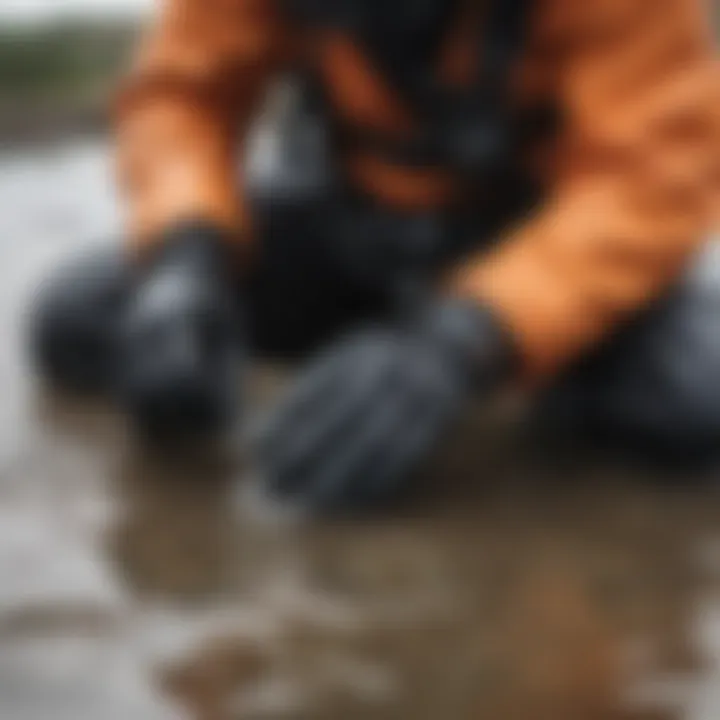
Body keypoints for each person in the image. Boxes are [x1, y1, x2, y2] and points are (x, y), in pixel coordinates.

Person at [30, 0, 719, 512]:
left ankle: (506, 380)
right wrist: (186, 257)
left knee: (697, 399)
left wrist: (468, 338)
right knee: (82, 319)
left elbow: (650, 176)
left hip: (533, 249)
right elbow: (184, 98)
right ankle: (364, 371)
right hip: (350, 225)